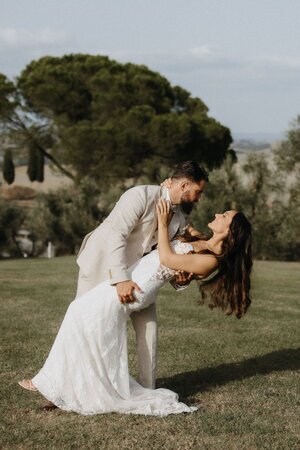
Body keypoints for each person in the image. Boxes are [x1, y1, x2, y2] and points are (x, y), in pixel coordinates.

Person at [18, 201, 252, 416]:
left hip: (139, 287)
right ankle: (71, 384)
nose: (217, 214)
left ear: (230, 231)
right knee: (86, 322)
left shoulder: (212, 260)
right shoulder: (201, 240)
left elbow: (168, 258)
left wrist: (161, 223)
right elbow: (179, 260)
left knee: (78, 313)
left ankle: (45, 381)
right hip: (133, 276)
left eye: (225, 216)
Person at [75, 161, 208, 389]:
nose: (198, 198)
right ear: (184, 185)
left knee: (149, 330)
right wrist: (121, 279)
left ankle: (149, 389)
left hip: (139, 277)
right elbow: (116, 235)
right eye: (198, 192)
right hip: (102, 265)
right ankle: (61, 388)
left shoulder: (178, 220)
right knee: (83, 324)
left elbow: (168, 254)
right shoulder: (140, 195)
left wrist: (180, 278)